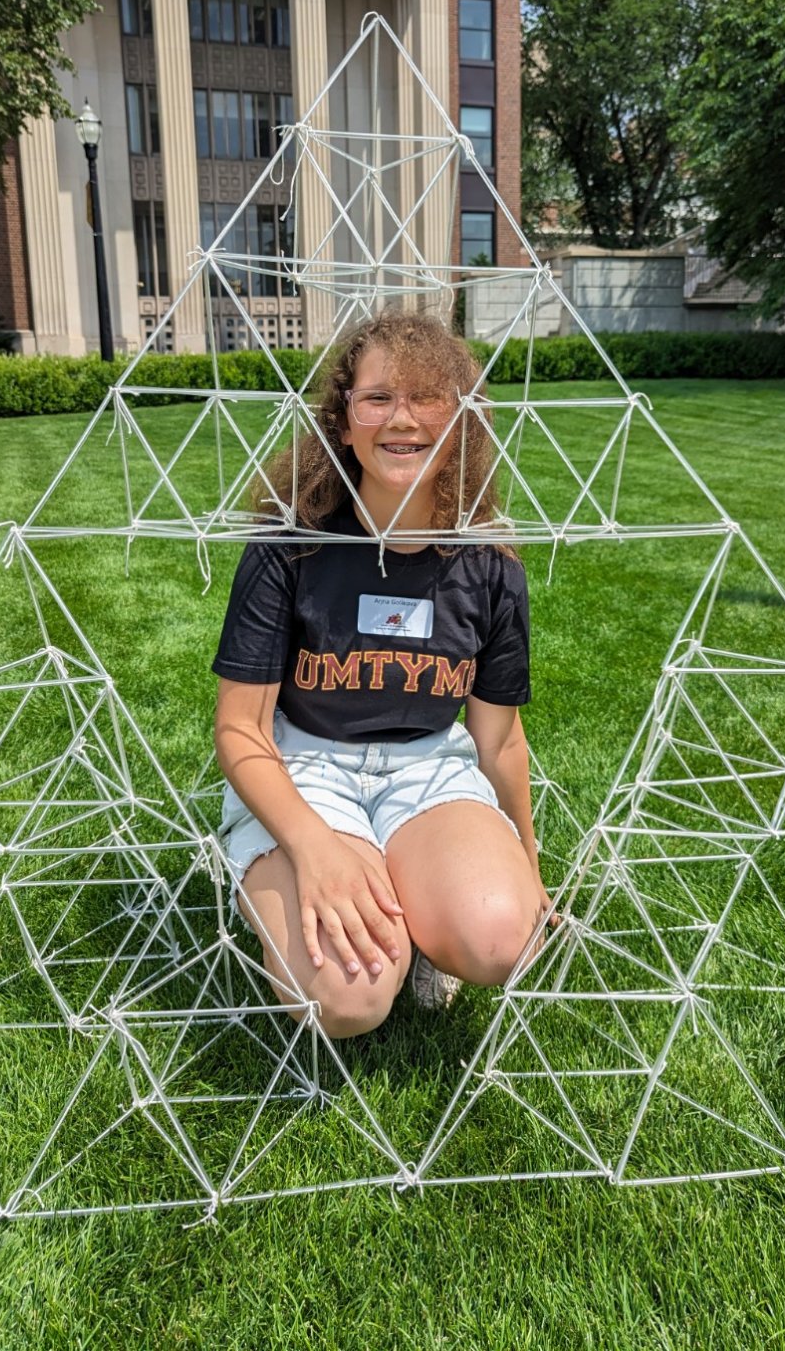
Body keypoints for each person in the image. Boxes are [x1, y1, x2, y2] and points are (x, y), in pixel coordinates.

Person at [211, 311, 551, 1038]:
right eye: (377, 399)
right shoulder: (289, 542)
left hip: (427, 768)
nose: (402, 418)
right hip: (305, 762)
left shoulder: (488, 561)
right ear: (343, 423)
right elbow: (240, 729)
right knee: (348, 998)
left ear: (461, 421)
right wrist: (313, 843)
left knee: (502, 936)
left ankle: (426, 917)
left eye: (428, 398)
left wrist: (529, 865)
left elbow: (498, 741)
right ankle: (307, 884)